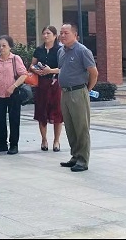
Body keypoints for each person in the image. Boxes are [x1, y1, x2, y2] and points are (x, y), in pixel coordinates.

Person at [58, 23, 98, 172]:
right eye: (61, 33)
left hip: (78, 92)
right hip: (65, 93)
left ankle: (83, 160)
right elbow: (62, 69)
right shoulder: (61, 51)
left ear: (75, 35)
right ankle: (75, 156)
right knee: (70, 127)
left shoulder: (82, 51)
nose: (62, 35)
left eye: (66, 33)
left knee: (81, 127)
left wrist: (87, 89)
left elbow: (94, 73)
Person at [0, 35, 27, 155]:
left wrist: (13, 86)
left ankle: (14, 144)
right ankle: (2, 143)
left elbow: (24, 75)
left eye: (4, 45)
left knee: (14, 119)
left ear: (10, 47)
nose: (1, 48)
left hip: (13, 94)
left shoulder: (15, 59)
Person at [31, 25, 63, 152]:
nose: (45, 36)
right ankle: (44, 139)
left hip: (55, 84)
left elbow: (64, 68)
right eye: (44, 33)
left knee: (57, 113)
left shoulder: (60, 50)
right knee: (41, 111)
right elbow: (32, 65)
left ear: (55, 36)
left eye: (48, 33)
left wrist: (51, 70)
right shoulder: (39, 50)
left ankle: (56, 141)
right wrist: (35, 70)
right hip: (42, 84)